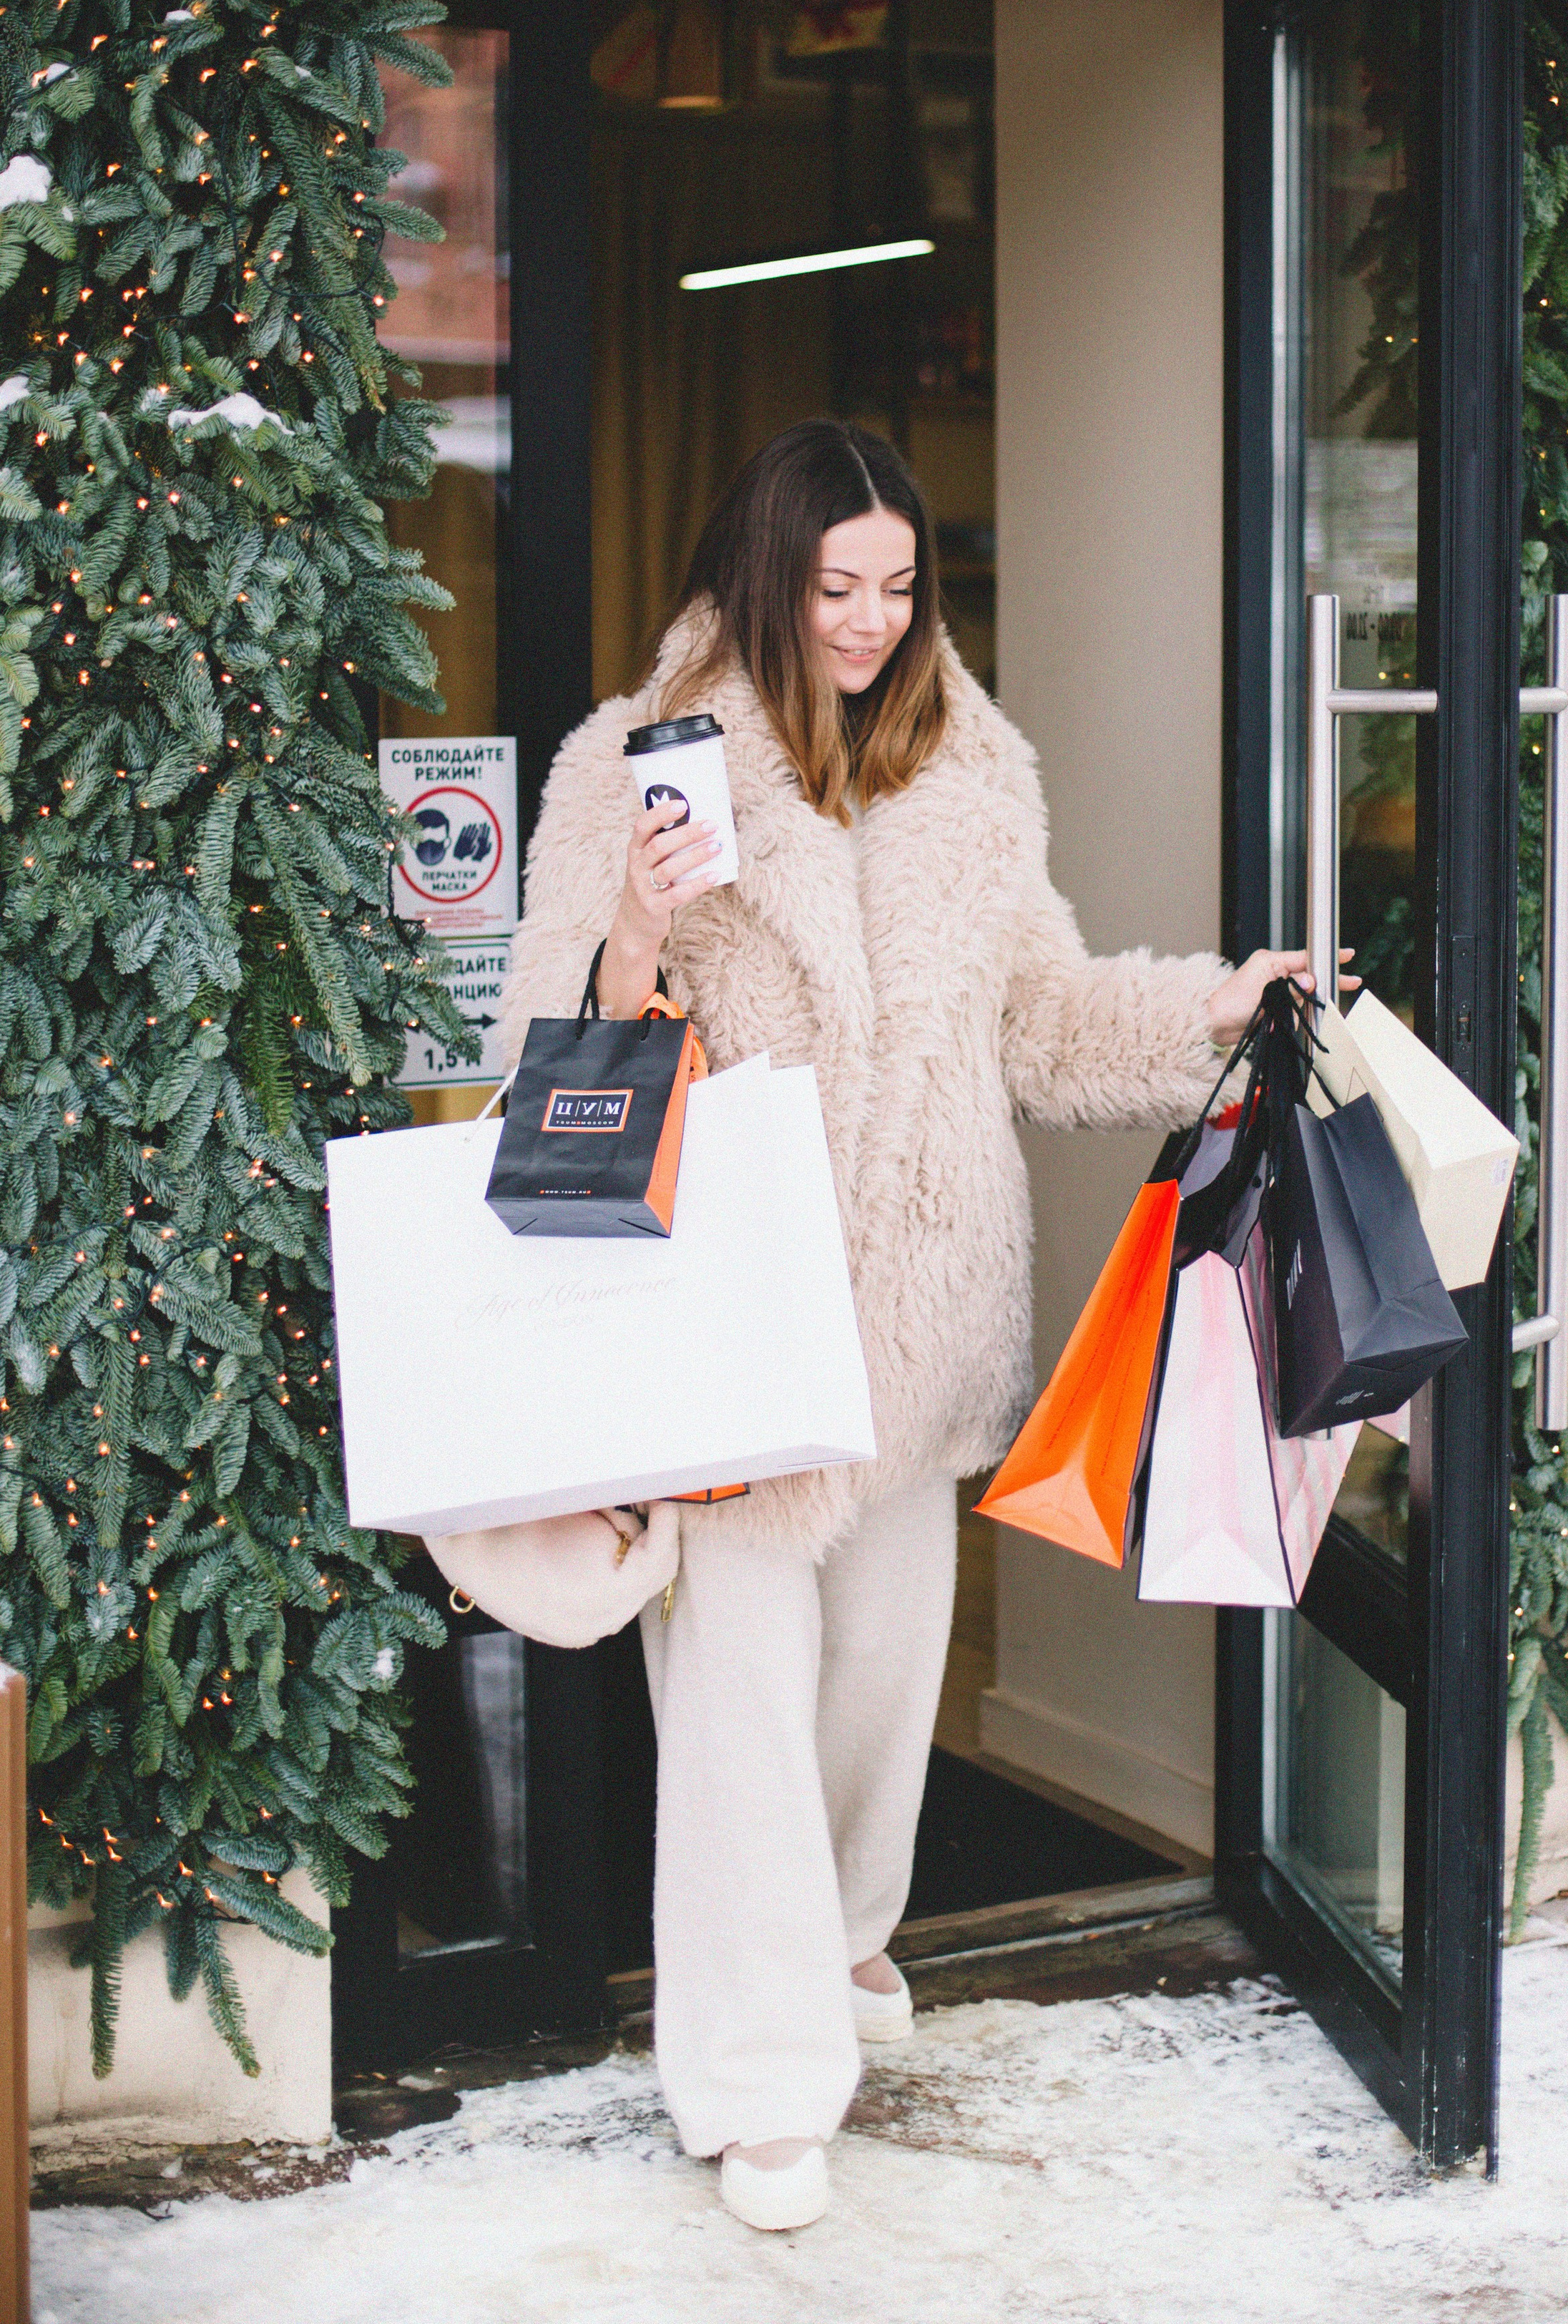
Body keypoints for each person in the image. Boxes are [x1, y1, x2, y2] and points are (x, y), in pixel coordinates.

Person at [499, 418, 1318, 2232]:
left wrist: (1213, 1006)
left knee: (877, 1692)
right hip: (733, 1320)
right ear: (762, 578)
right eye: (833, 586)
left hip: (919, 1325)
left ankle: (843, 1956)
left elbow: (1036, 1017)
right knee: (733, 1720)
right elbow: (535, 1060)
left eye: (894, 586)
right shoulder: (637, 765)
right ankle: (761, 2084)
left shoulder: (970, 772)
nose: (868, 621)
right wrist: (636, 929)